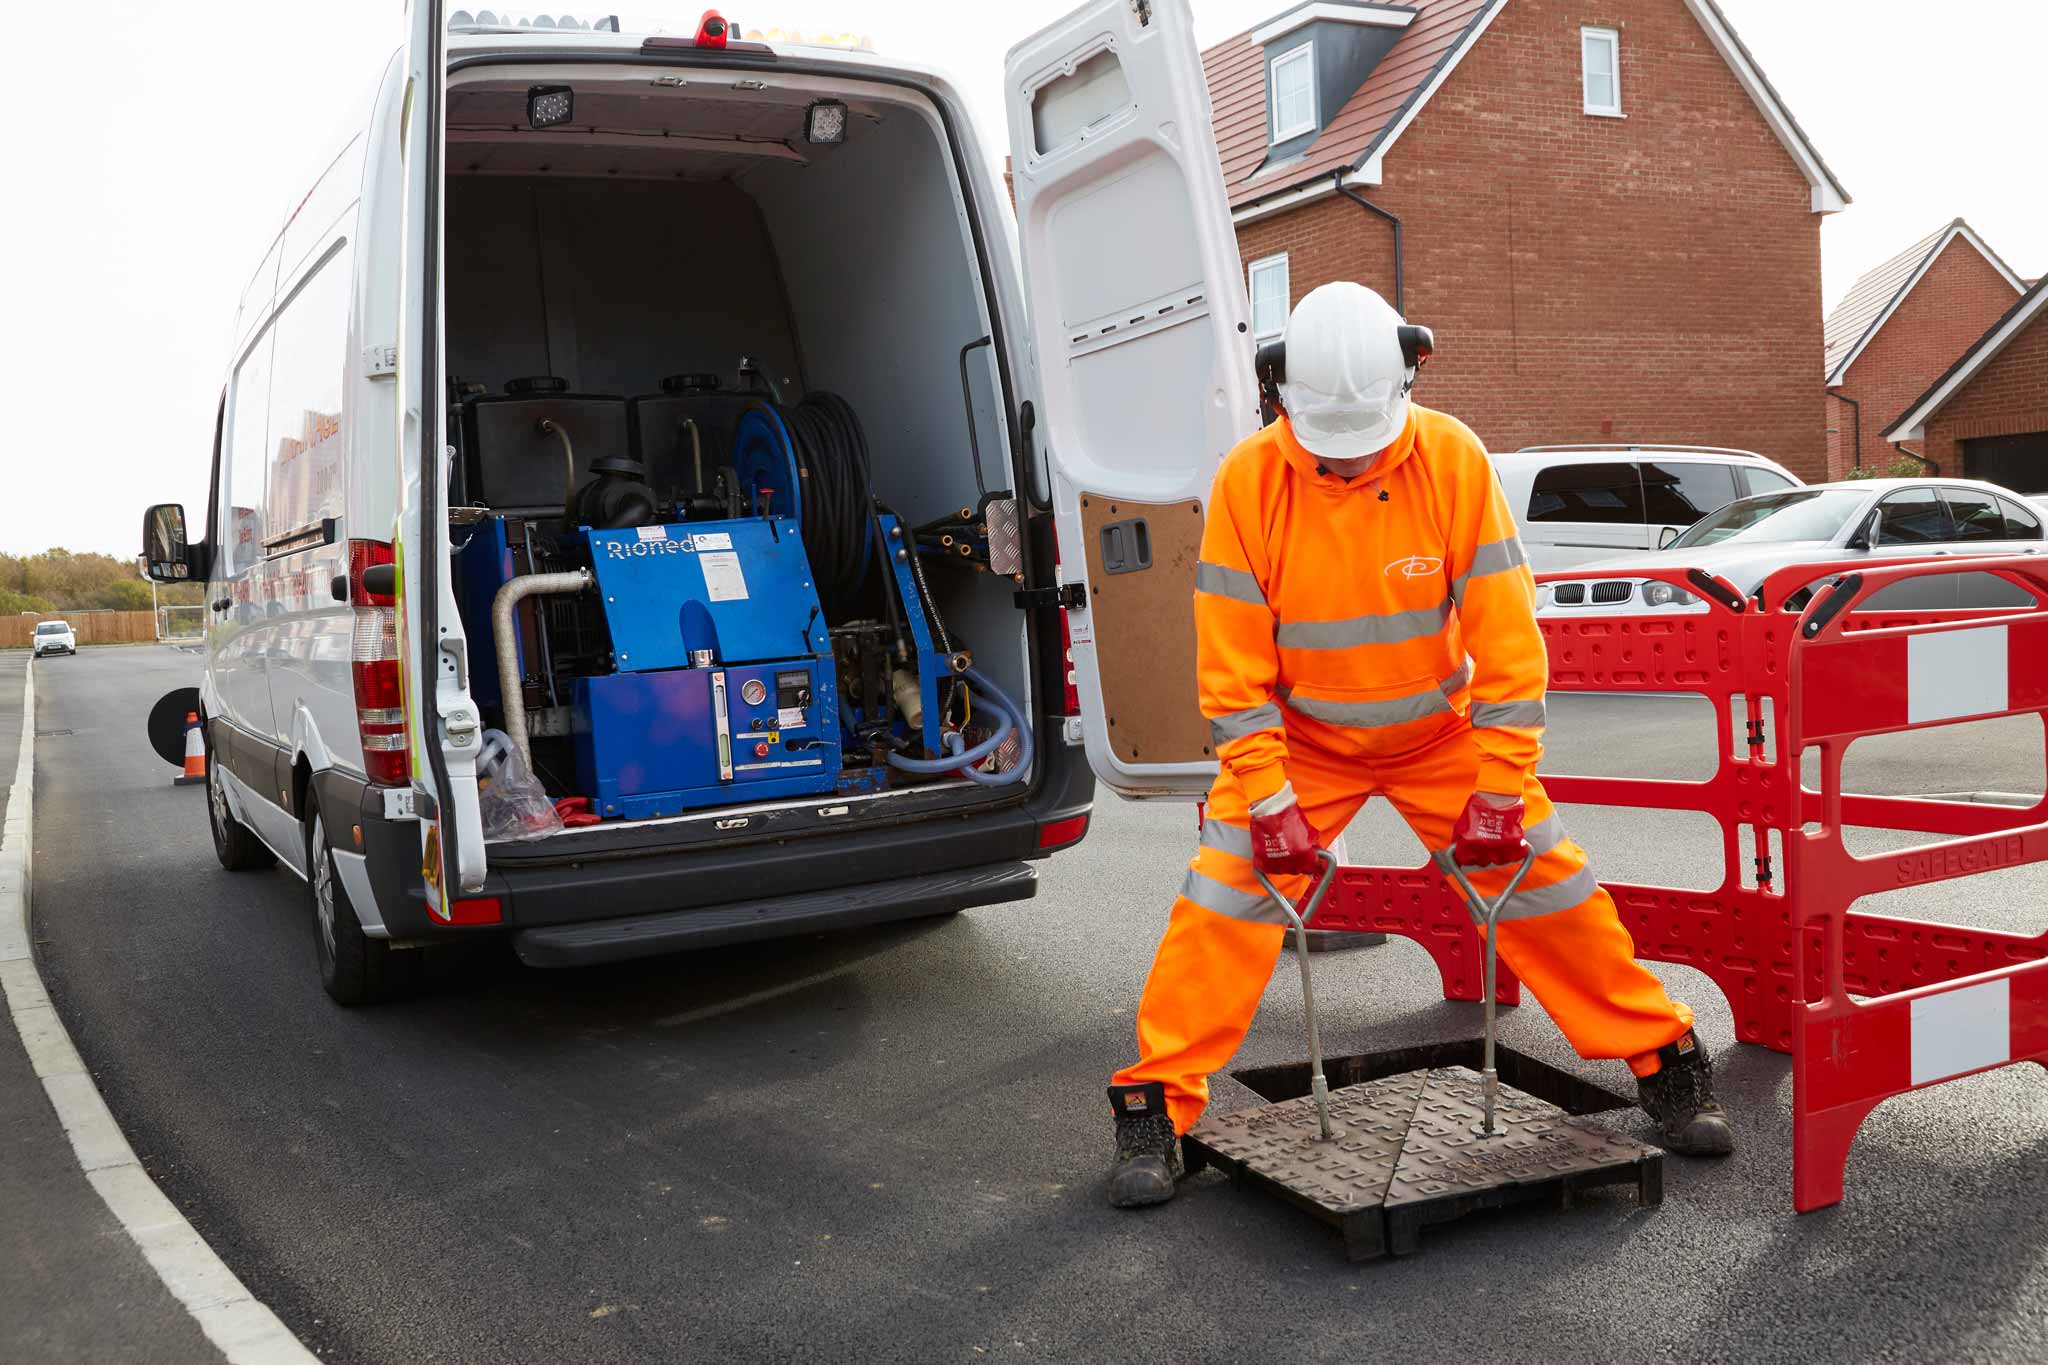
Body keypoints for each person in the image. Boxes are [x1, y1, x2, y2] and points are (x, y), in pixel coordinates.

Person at [1104, 282, 1732, 1209]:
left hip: (1439, 732)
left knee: (1547, 882)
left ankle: (1664, 1056)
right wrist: (1268, 800)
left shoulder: (1453, 459)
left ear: (1412, 375)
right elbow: (1230, 667)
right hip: (1305, 741)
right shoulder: (1246, 482)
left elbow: (1509, 643)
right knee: (1223, 899)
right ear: (1279, 394)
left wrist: (1503, 784)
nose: (1349, 462)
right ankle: (1156, 1101)